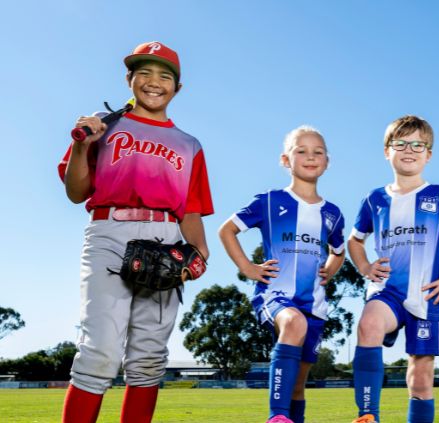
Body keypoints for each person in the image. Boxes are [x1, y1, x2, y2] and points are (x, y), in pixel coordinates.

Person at [58, 41, 213, 422]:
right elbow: (77, 193)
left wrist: (200, 255)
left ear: (178, 88)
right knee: (100, 351)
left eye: (165, 75)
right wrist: (83, 147)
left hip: (167, 237)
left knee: (148, 357)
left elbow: (191, 211)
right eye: (143, 72)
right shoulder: (105, 124)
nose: (153, 81)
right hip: (110, 229)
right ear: (129, 78)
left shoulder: (190, 145)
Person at [350, 115, 439, 423]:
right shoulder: (374, 199)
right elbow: (355, 241)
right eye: (400, 143)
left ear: (429, 154)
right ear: (387, 151)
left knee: (421, 378)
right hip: (388, 291)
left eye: (418, 144)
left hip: (427, 295)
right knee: (368, 325)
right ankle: (367, 415)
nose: (409, 150)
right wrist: (365, 265)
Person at [218, 126, 345, 423]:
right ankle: (276, 417)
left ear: (327, 161)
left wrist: (329, 270)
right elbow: (227, 230)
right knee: (293, 322)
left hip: (314, 304)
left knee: (297, 387)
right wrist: (247, 267)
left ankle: (288, 415)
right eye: (301, 151)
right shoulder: (270, 201)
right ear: (286, 160)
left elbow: (338, 251)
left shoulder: (333, 213)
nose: (310, 157)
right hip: (275, 295)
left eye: (318, 152)